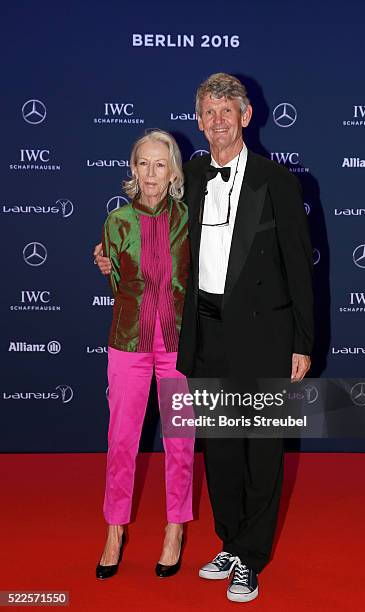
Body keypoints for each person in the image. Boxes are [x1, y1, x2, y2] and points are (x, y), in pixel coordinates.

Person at [95, 73, 314, 603]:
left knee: (261, 449)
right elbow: (148, 226)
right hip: (205, 332)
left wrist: (303, 341)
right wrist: (107, 257)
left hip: (266, 333)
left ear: (246, 117)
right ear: (199, 121)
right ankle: (231, 543)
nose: (218, 120)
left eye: (227, 111)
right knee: (218, 450)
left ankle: (252, 558)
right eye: (209, 112)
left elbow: (300, 268)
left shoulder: (277, 181)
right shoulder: (189, 176)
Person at [95, 129, 194, 581]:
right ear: (132, 169)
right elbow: (119, 286)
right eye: (142, 164)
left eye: (160, 165)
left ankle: (175, 527)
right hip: (129, 343)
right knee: (121, 442)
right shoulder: (116, 223)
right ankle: (115, 531)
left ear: (173, 170)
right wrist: (104, 262)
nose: (150, 174)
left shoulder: (189, 219)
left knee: (180, 443)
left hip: (178, 346)